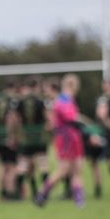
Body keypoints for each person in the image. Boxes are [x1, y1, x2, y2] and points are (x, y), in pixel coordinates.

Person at [35, 74, 85, 208]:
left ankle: (79, 199)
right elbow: (70, 118)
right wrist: (81, 122)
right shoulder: (62, 100)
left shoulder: (68, 99)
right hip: (66, 137)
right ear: (71, 85)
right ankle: (42, 194)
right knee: (63, 169)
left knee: (77, 167)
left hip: (72, 136)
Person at [14, 78, 49, 201]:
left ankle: (18, 194)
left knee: (23, 165)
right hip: (39, 137)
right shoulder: (41, 101)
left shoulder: (20, 102)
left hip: (26, 137)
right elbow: (47, 119)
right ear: (36, 87)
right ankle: (45, 192)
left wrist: (17, 135)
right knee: (43, 164)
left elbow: (16, 120)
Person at [82, 119, 107, 199]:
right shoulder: (97, 128)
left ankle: (77, 190)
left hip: (88, 145)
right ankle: (98, 189)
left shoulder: (84, 129)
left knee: (79, 167)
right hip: (98, 147)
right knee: (95, 166)